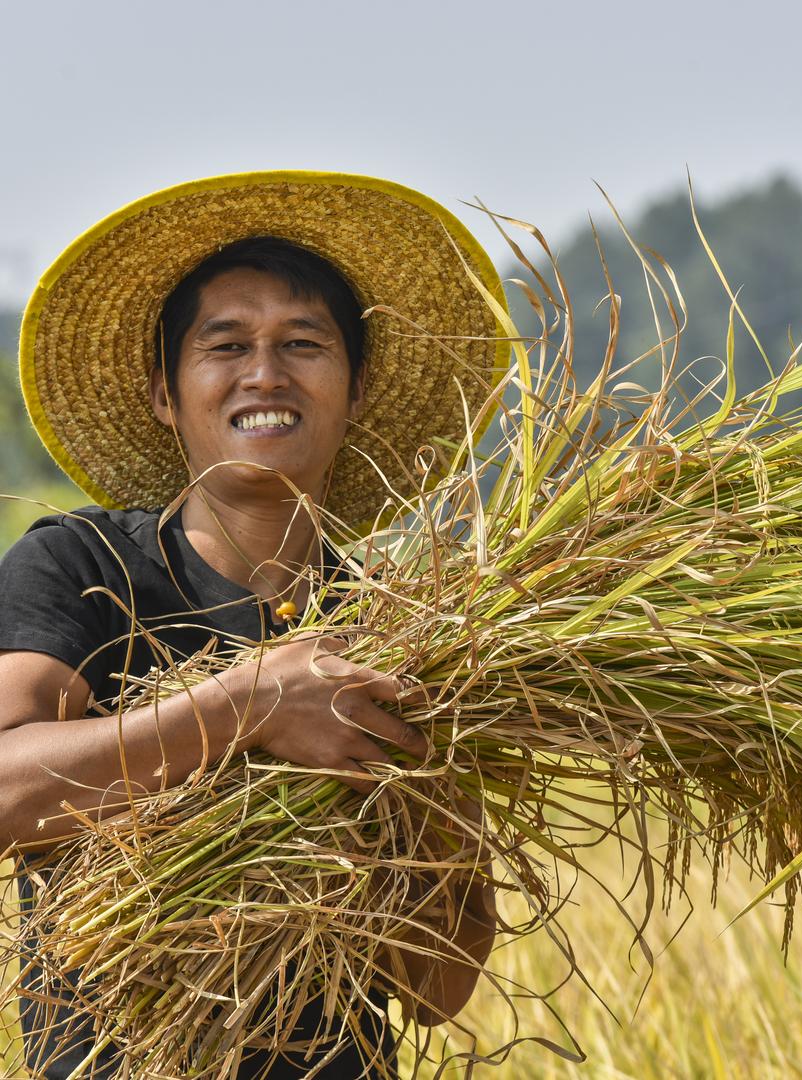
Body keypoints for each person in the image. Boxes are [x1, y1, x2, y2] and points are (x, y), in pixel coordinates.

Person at [0, 172, 509, 1078]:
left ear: (355, 391)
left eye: (304, 344)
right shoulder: (84, 570)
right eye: (225, 344)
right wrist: (248, 705)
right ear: (165, 392)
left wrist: (413, 790)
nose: (265, 373)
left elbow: (441, 985)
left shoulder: (405, 634)